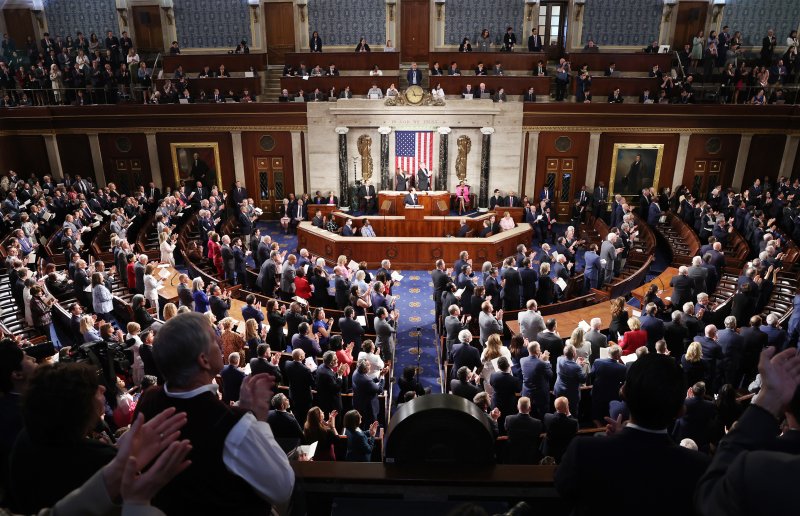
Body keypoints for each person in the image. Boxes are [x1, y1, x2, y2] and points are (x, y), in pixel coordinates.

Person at [555, 354, 710, 514]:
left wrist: (617, 441)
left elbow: (564, 490)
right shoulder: (700, 469)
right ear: (681, 411)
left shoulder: (583, 451)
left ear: (623, 392)